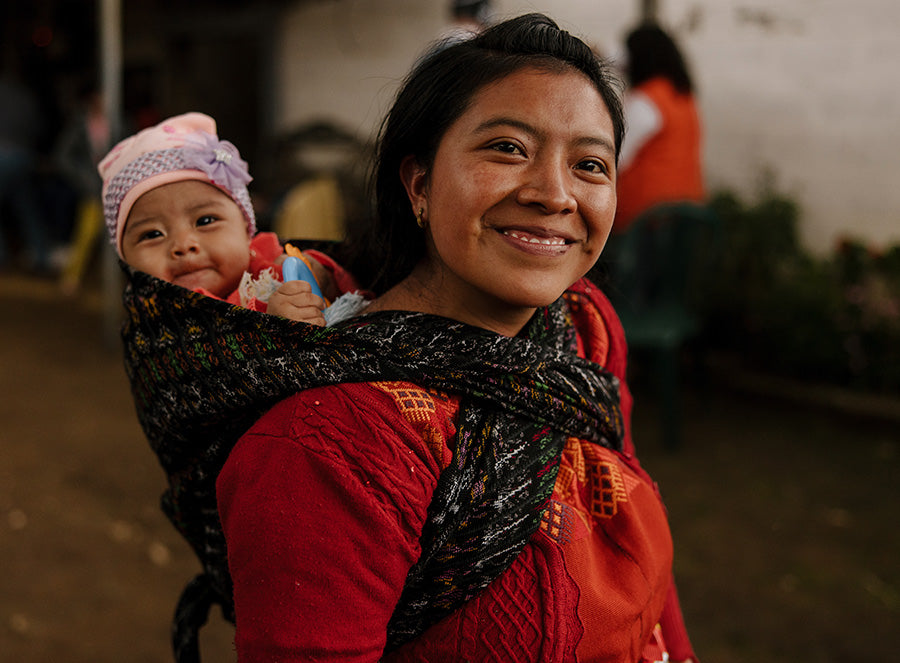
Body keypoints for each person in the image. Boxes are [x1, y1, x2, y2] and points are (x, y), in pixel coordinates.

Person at [207, 13, 697, 662]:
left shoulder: (580, 329)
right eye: (507, 148)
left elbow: (655, 598)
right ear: (418, 182)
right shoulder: (331, 447)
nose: (555, 194)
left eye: (590, 164)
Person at [99, 112, 357, 325]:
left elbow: (354, 298)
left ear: (246, 228)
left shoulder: (268, 259)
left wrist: (324, 277)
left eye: (205, 221)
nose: (184, 245)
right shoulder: (159, 320)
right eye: (152, 234)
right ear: (125, 258)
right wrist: (274, 326)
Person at [613, 22, 704, 233]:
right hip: (686, 215)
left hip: (644, 219)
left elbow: (615, 158)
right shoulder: (683, 96)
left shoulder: (646, 102)